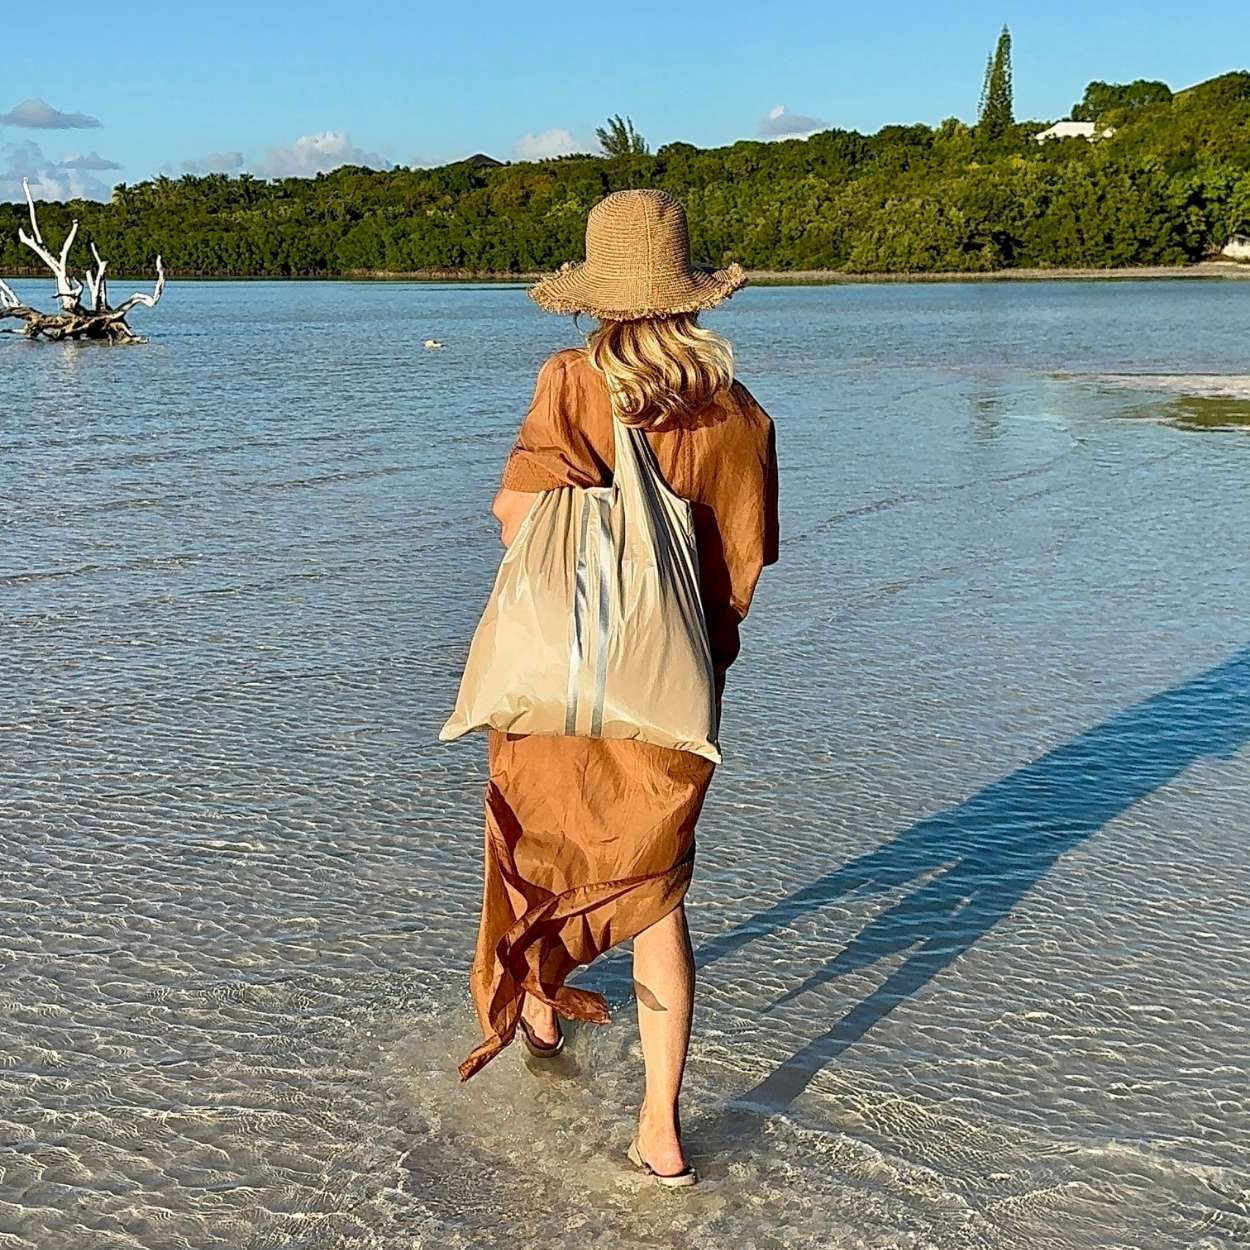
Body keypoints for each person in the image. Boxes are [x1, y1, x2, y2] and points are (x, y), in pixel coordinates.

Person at [459, 188, 779, 1187]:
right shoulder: (738, 416)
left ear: (595, 293)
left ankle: (540, 1010)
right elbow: (742, 565)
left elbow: (518, 519)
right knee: (655, 894)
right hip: (669, 688)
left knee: (535, 842)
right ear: (689, 295)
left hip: (557, 674)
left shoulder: (570, 379)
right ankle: (658, 1131)